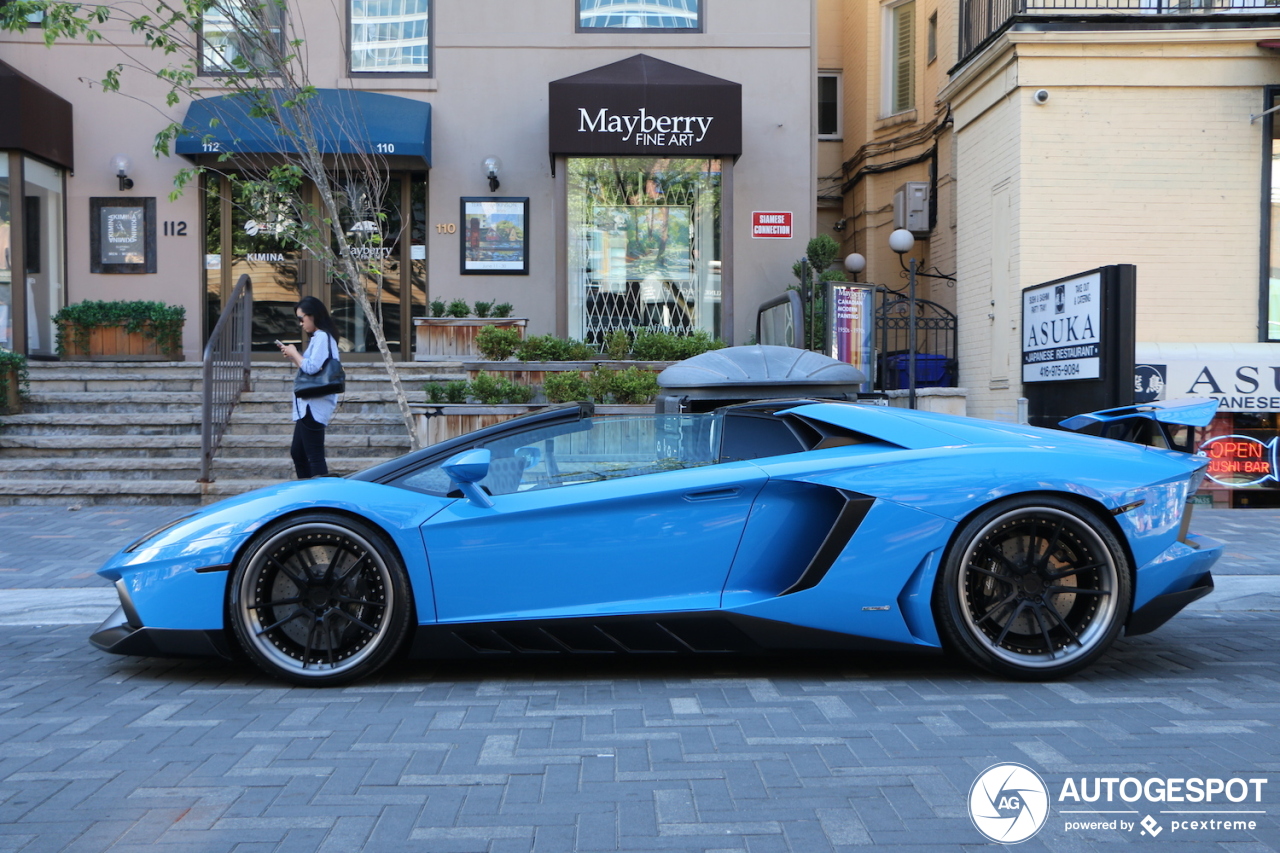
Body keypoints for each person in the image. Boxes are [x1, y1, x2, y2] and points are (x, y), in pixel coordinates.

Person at [278, 296, 341, 479]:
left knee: (313, 456)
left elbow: (312, 368)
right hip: (308, 405)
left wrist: (295, 353)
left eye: (301, 319)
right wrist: (294, 357)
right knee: (298, 453)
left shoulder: (321, 336)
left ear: (313, 316)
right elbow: (311, 367)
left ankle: (318, 499)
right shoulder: (319, 337)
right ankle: (307, 492)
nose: (300, 324)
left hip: (314, 405)